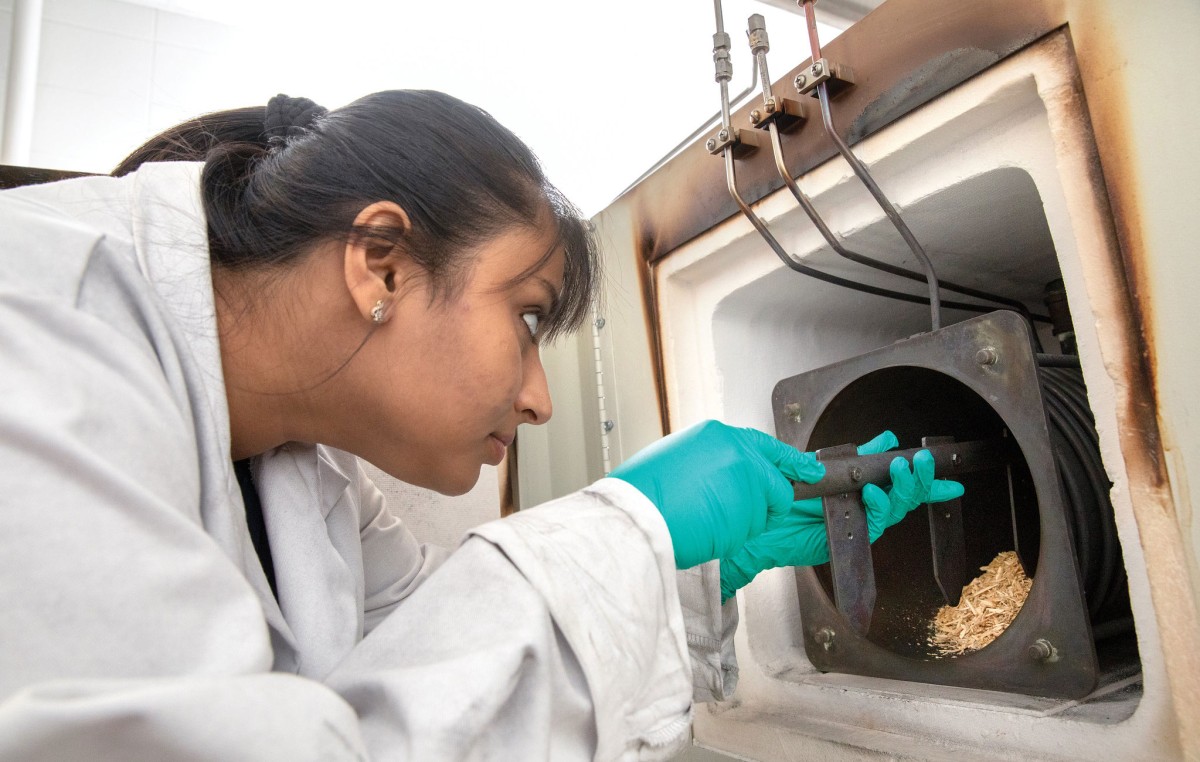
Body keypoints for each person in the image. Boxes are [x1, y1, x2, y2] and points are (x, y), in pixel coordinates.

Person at [0, 91, 962, 761]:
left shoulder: (312, 482)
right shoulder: (40, 338)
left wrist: (688, 569)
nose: (540, 398)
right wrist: (628, 519)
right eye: (528, 318)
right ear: (380, 263)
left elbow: (431, 659)